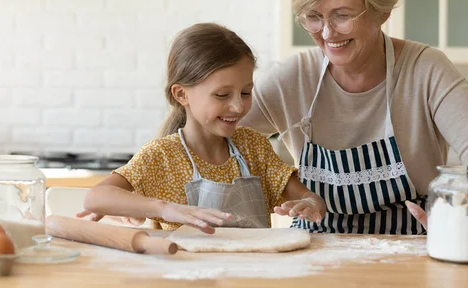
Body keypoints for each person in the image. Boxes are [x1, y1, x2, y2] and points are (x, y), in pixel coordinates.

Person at [240, 0, 468, 234]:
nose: (326, 32)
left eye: (342, 15)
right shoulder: (294, 77)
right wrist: (287, 185)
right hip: (313, 257)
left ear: (382, 11)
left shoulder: (425, 70)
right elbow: (211, 140)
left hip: (412, 256)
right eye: (314, 17)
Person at [78, 23, 326, 233]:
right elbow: (95, 197)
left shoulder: (253, 147)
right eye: (221, 95)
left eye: (246, 92)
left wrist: (310, 203)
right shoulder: (162, 157)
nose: (238, 106)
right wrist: (163, 208)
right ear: (182, 94)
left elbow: (307, 197)